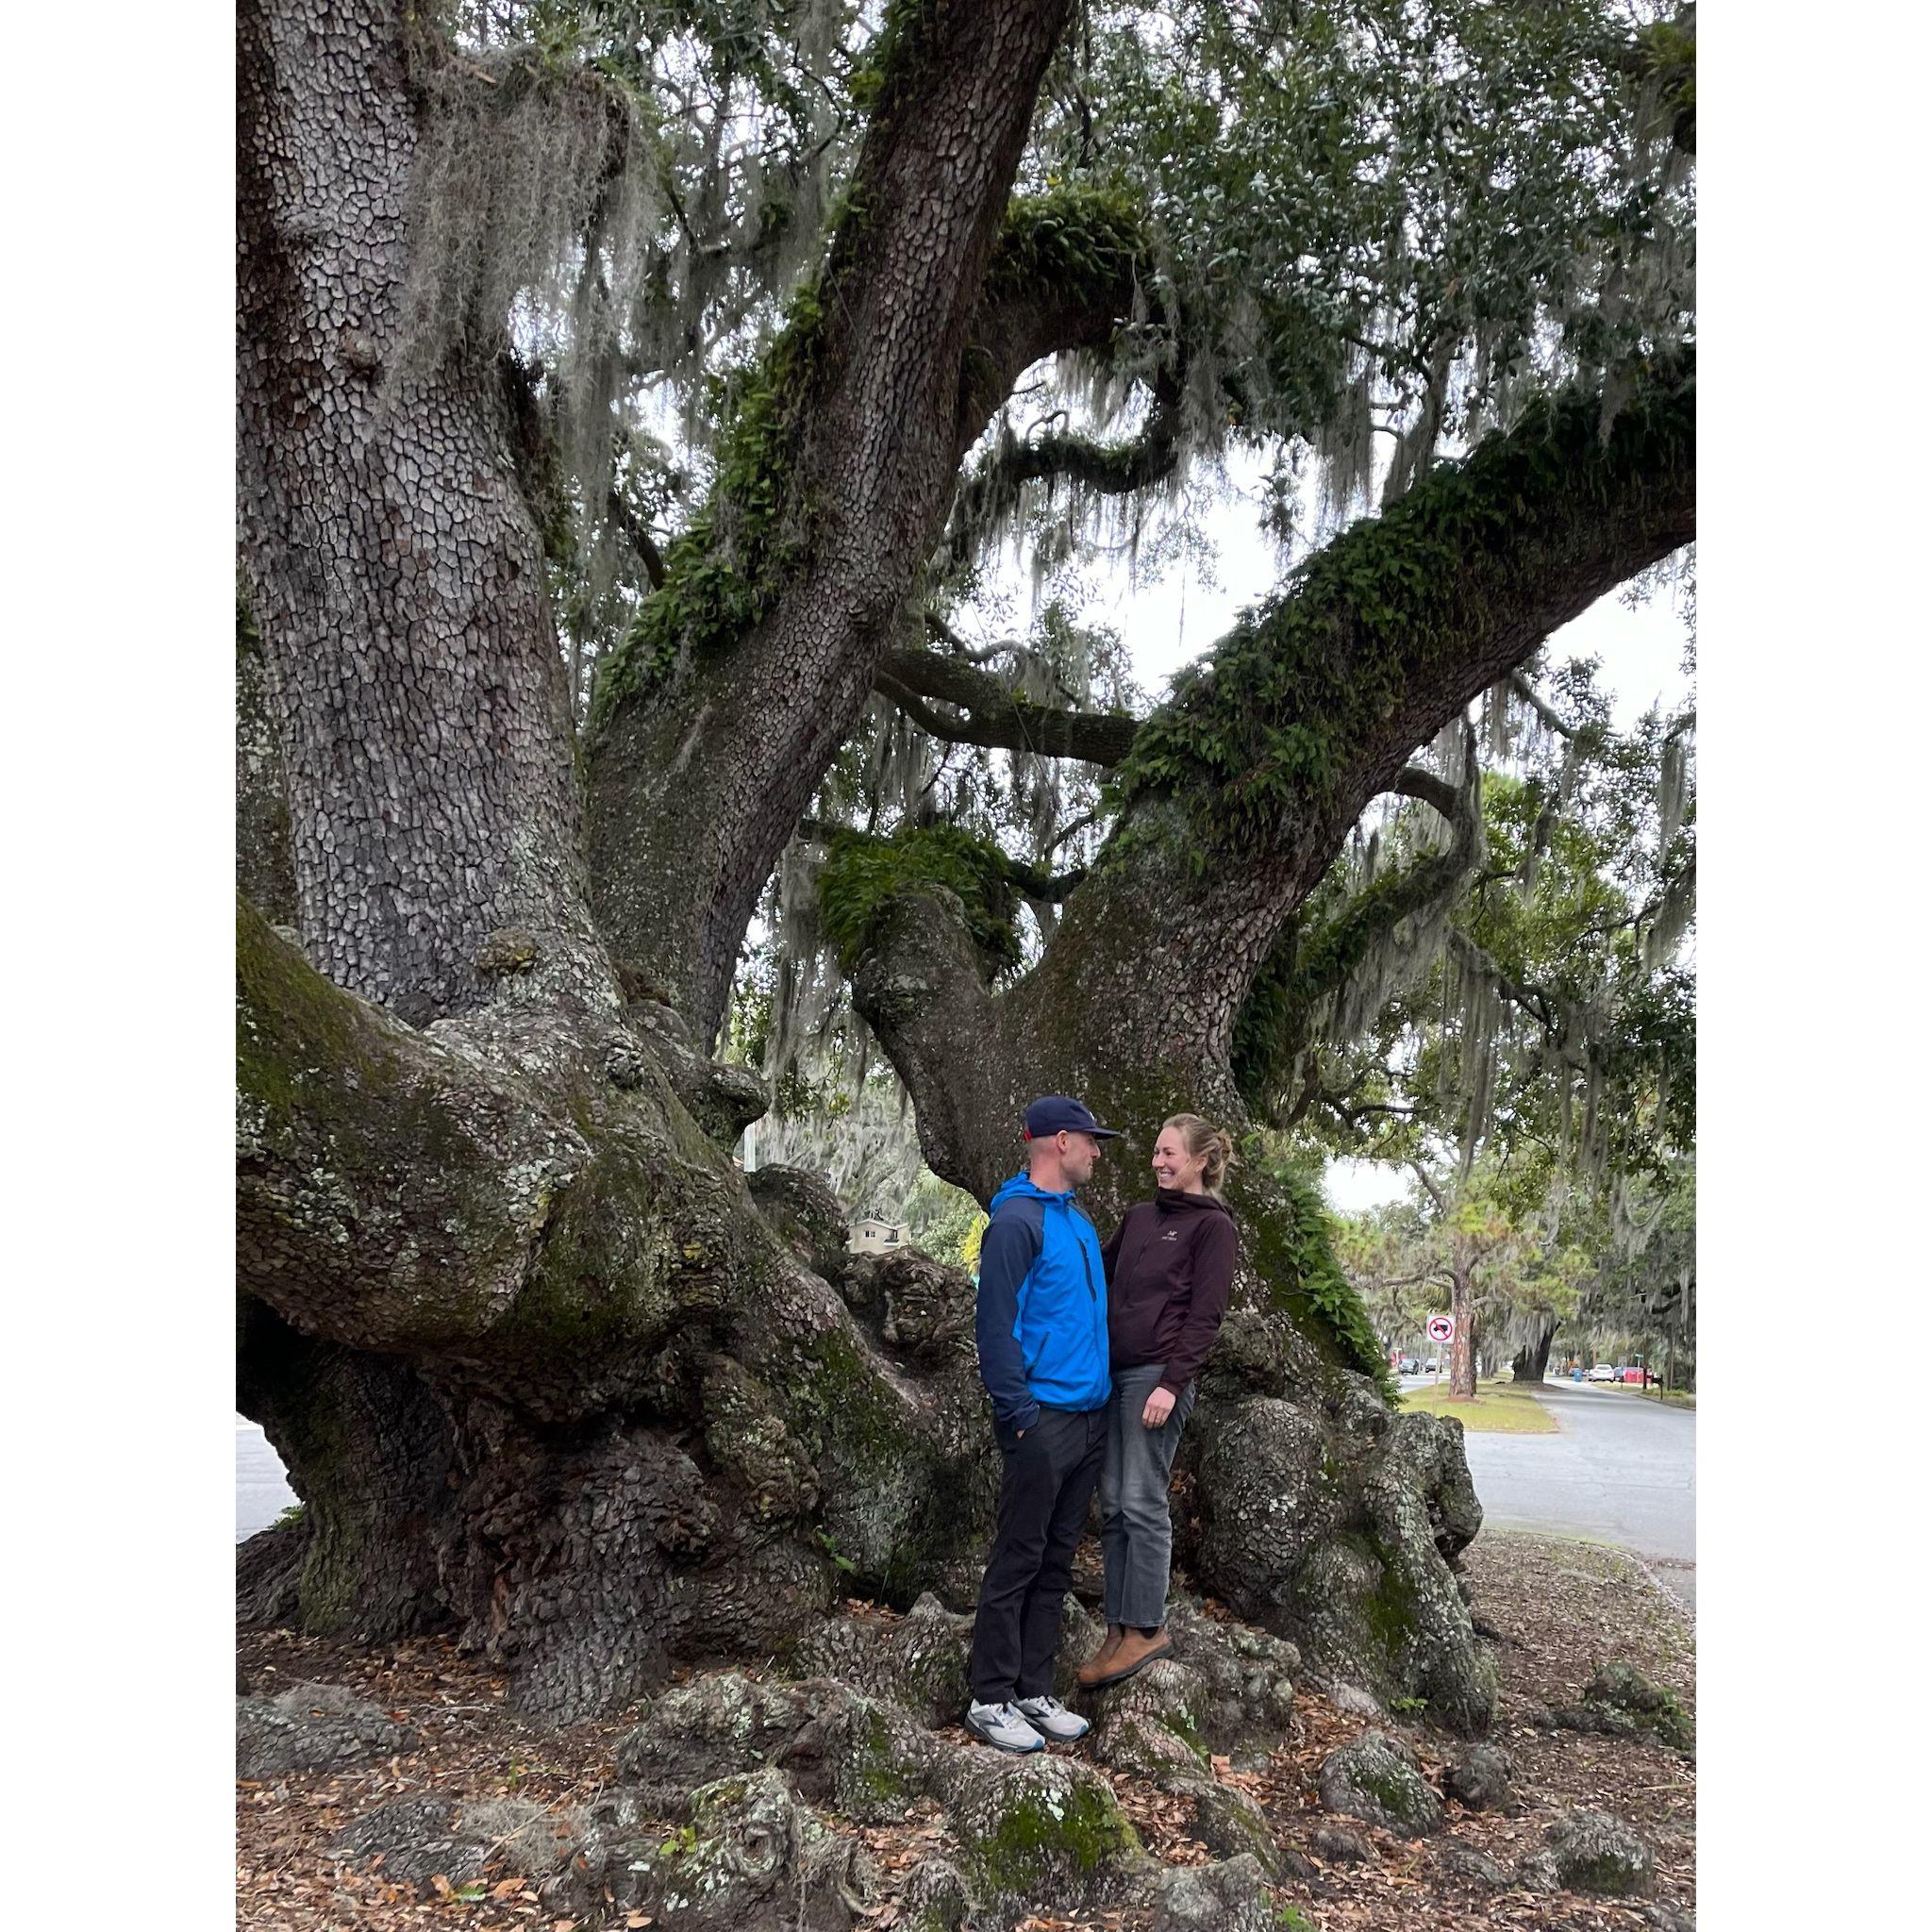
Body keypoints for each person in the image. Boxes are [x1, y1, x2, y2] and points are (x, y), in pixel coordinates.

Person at [964, 1095, 1120, 1753]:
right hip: (1040, 1420)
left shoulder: (1078, 1223)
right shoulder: (1015, 1223)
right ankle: (990, 1697)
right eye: (1090, 1140)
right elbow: (994, 1327)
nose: (1097, 1152)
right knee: (1019, 1558)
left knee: (1057, 1562)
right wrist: (1020, 1415)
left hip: (1088, 1420)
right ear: (1060, 1142)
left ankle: (1033, 1689)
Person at [1077, 1113, 1238, 1690]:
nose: (1158, 1162)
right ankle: (1118, 1627)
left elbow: (1205, 1316)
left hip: (1157, 1378)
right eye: (1156, 1152)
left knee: (1142, 1500)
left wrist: (1171, 1384)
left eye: (1170, 1153)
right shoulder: (1140, 1217)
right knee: (1114, 1504)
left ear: (1200, 1160)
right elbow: (1098, 1273)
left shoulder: (1213, 1228)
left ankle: (1147, 1628)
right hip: (1115, 1375)